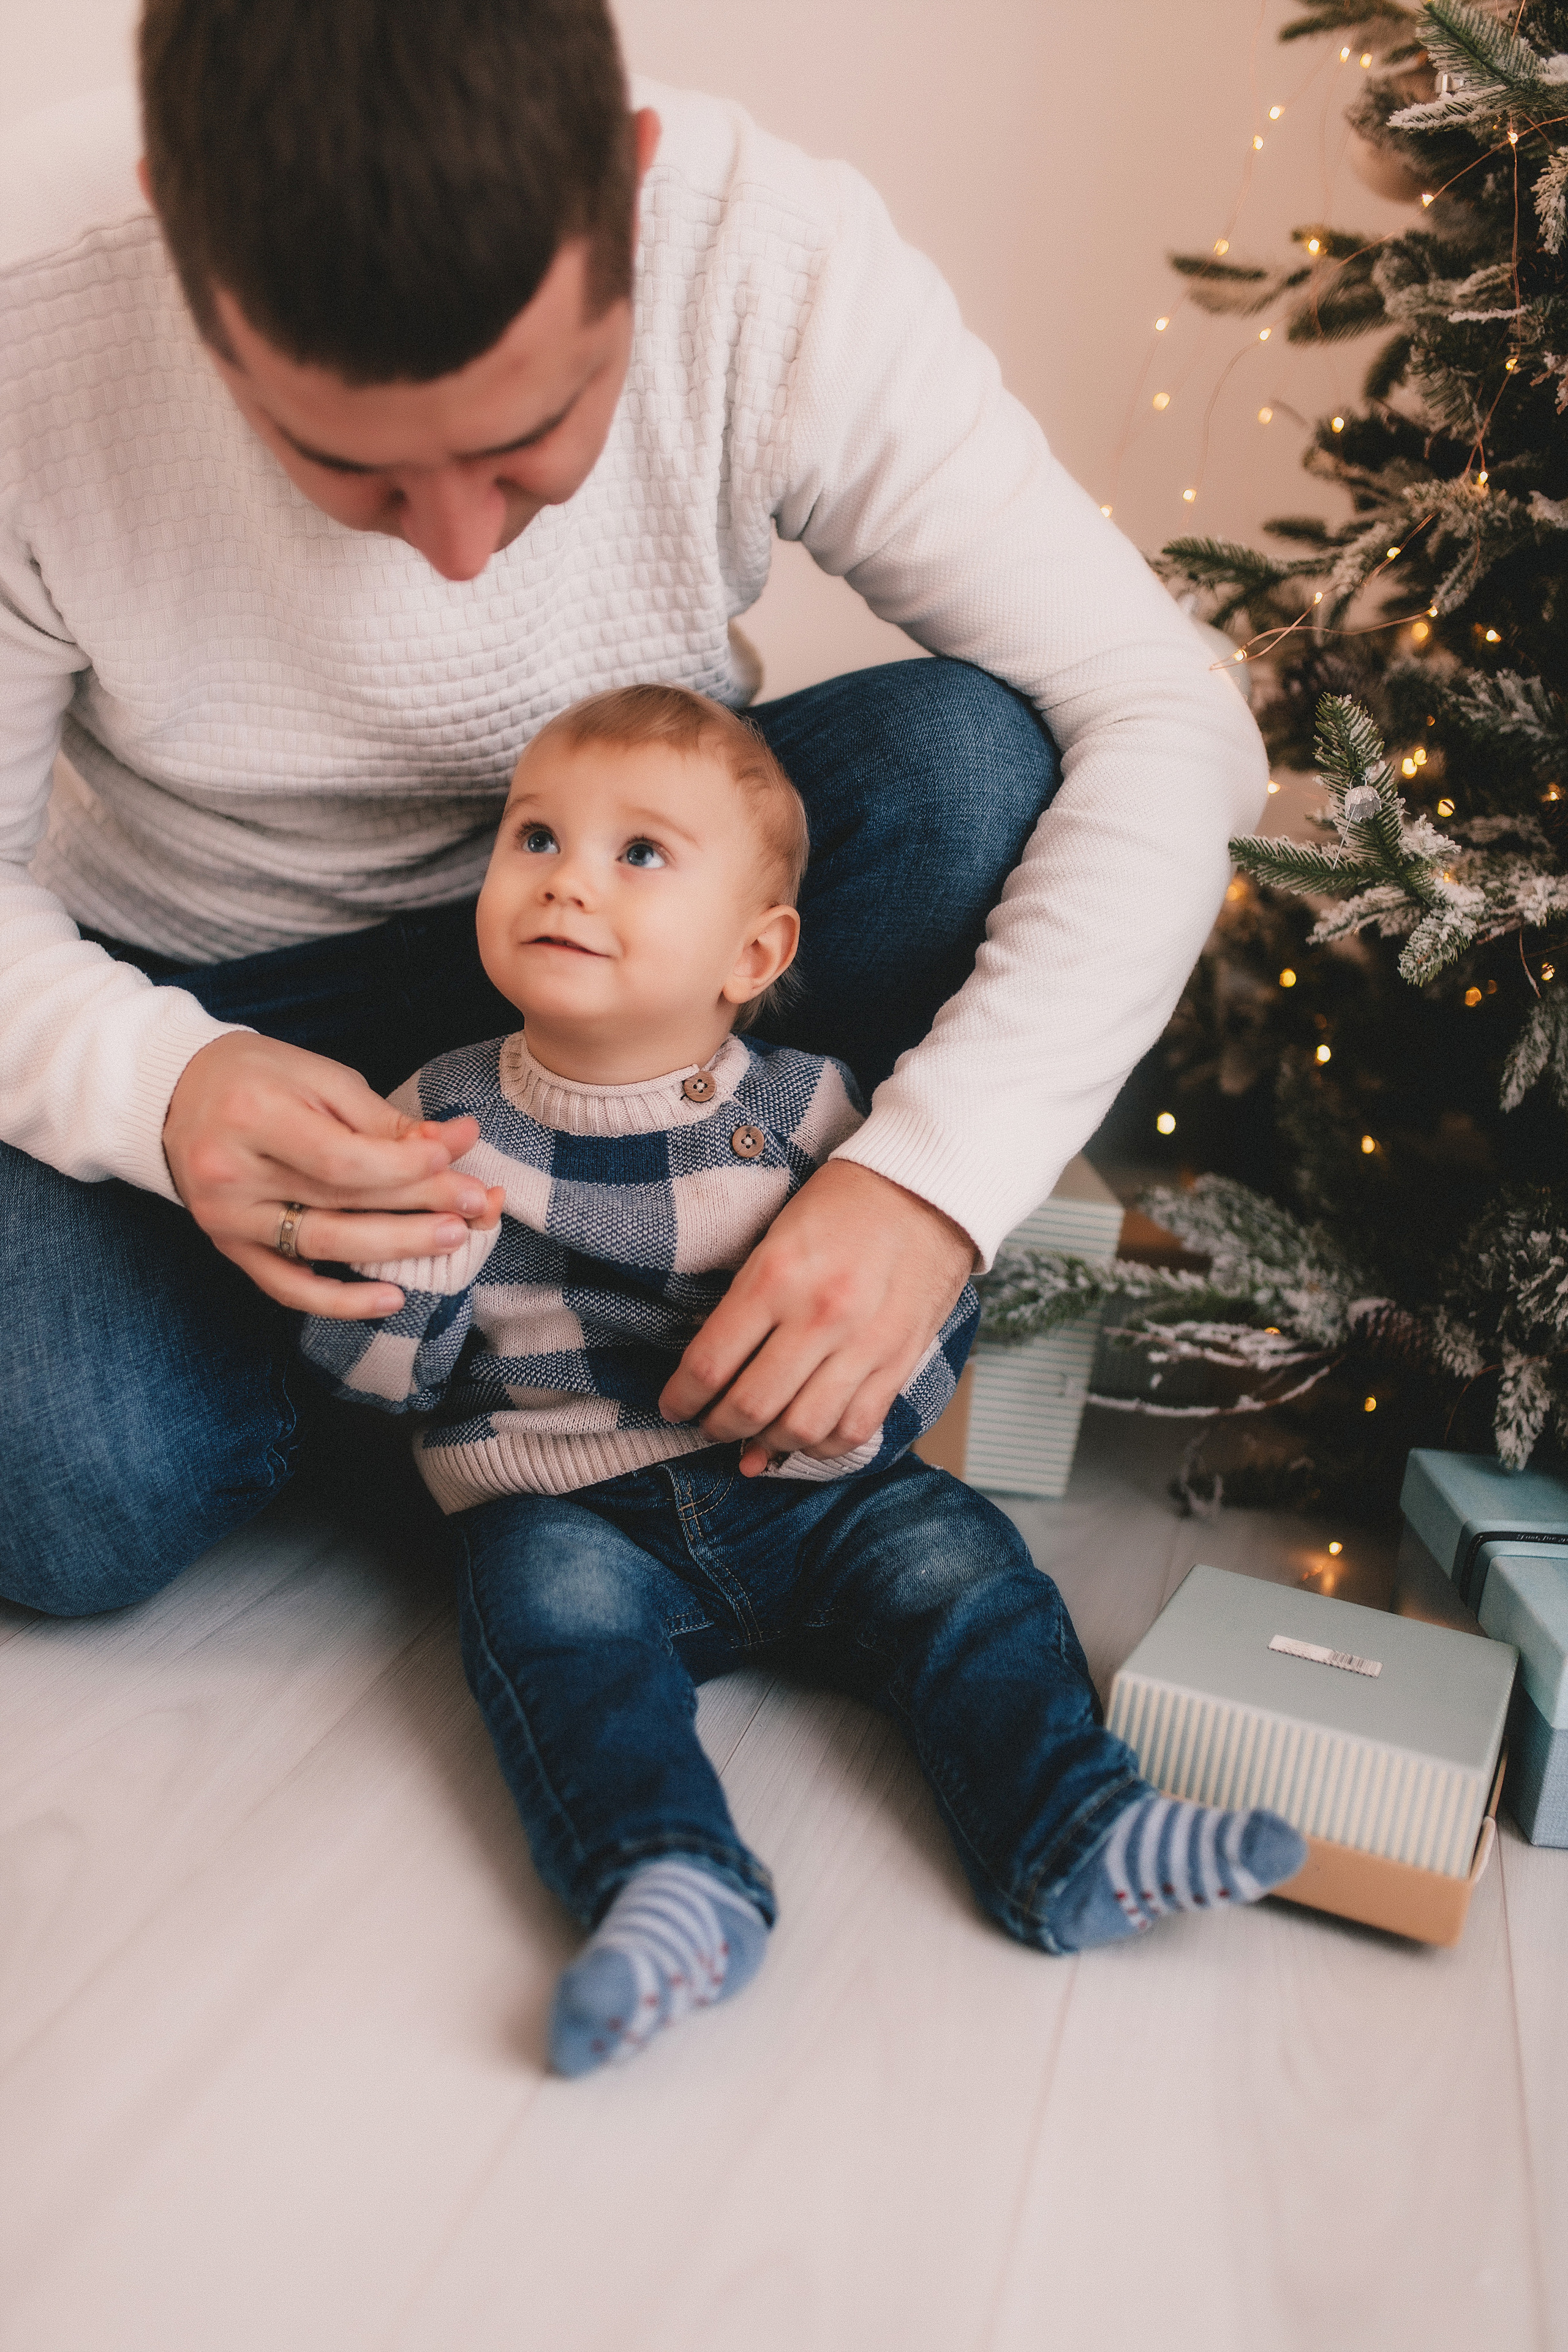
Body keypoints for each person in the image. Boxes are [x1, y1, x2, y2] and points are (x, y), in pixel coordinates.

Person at [0, 0, 1265, 1615]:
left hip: (645, 940)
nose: (457, 549)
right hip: (217, 987)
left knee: (971, 774)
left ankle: (548, 1329)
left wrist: (934, 1184)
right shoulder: (25, 315)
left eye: (530, 445)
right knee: (64, 1497)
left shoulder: (767, 261)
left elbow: (1169, 712)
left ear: (631, 185)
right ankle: (531, 1362)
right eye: (354, 469)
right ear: (179, 245)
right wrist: (155, 1089)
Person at [298, 685, 1306, 2076]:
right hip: (564, 1504)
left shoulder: (812, 1115)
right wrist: (404, 1282)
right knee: (547, 1636)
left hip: (810, 1496)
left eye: (638, 853)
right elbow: (378, 1386)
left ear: (752, 951)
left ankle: (1077, 1829)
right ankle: (669, 1885)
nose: (566, 880)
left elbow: (919, 1318)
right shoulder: (435, 1117)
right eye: (534, 837)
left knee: (966, 1572)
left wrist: (861, 1431)